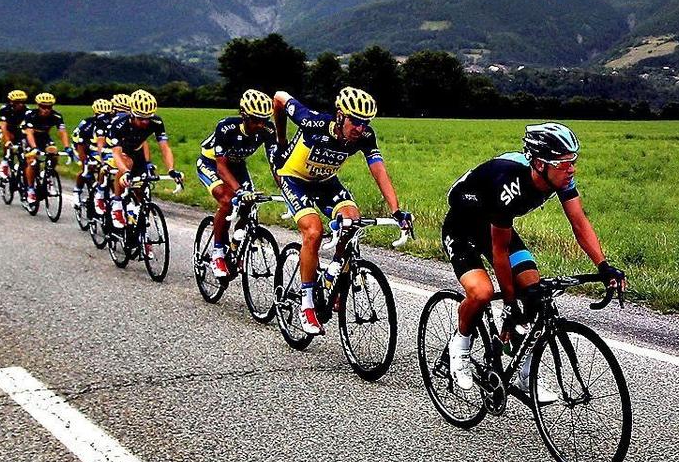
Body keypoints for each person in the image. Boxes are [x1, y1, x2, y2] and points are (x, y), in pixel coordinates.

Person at [441, 122, 622, 399]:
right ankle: (461, 347)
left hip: (496, 227)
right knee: (482, 292)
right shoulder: (509, 185)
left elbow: (579, 223)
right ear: (539, 164)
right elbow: (499, 252)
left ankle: (526, 375)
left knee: (534, 292)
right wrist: (510, 304)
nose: (571, 169)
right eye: (563, 163)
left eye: (573, 161)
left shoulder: (559, 178)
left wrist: (603, 266)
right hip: (463, 226)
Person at [271, 87, 411, 335]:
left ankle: (333, 272)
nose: (360, 128)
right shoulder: (311, 121)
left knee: (352, 220)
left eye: (365, 122)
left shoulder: (365, 136)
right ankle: (307, 306)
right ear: (339, 115)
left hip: (326, 182)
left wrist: (396, 210)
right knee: (314, 232)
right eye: (355, 121)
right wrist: (281, 141)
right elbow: (279, 97)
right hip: (295, 179)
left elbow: (379, 170)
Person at [195, 89, 282, 278]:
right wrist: (239, 190)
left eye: (264, 120)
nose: (260, 124)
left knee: (249, 206)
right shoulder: (226, 127)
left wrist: (286, 190)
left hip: (237, 165)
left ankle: (235, 247)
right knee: (227, 200)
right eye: (255, 119)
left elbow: (275, 164)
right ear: (243, 115)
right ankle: (217, 253)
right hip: (212, 163)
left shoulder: (267, 130)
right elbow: (221, 167)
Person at [103, 89, 179, 227]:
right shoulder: (119, 124)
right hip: (115, 152)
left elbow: (165, 148)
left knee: (140, 189)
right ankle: (117, 203)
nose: (145, 122)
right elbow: (116, 153)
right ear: (131, 114)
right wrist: (125, 172)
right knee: (127, 163)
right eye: (141, 118)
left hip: (135, 151)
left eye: (148, 118)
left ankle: (139, 230)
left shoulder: (156, 122)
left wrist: (171, 170)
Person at [21, 92, 71, 205]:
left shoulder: (56, 115)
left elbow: (62, 131)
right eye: (43, 107)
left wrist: (67, 147)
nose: (46, 110)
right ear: (38, 106)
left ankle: (48, 175)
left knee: (54, 153)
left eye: (49, 107)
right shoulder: (30, 114)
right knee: (32, 161)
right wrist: (34, 148)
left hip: (44, 137)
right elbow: (29, 133)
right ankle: (30, 189)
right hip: (30, 138)